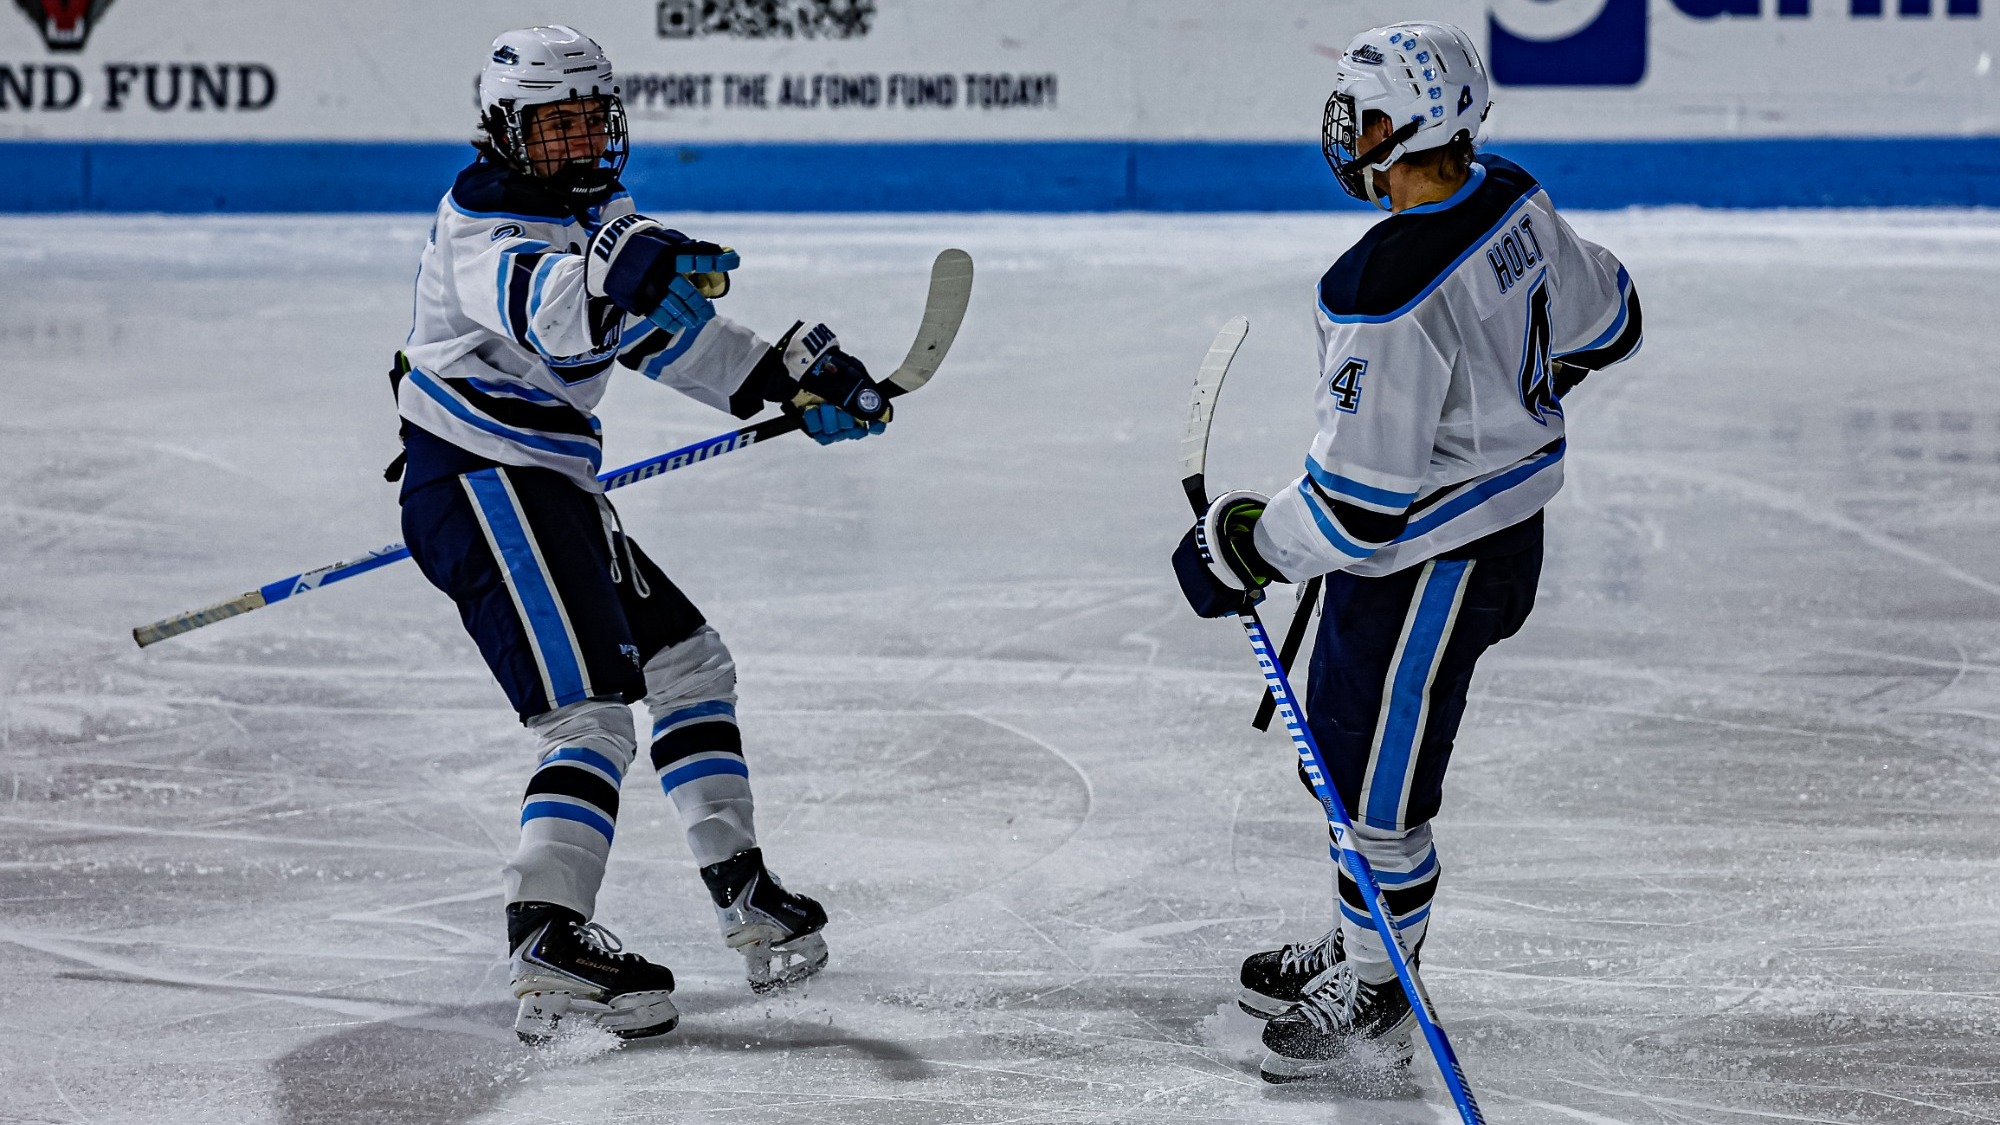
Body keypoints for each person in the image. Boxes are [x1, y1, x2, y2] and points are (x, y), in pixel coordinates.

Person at [393, 25, 894, 1045]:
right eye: (552, 125)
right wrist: (622, 268)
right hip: (486, 485)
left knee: (689, 663)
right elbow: (560, 318)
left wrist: (785, 381)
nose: (576, 143)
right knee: (586, 719)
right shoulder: (482, 223)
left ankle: (742, 891)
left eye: (589, 121)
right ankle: (547, 934)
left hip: (546, 487)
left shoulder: (596, 211)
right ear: (503, 131)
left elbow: (666, 333)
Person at [1172, 21, 1643, 1084]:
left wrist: (1241, 548)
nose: (1348, 133)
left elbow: (1357, 512)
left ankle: (1378, 991)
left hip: (1431, 564)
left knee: (1377, 792)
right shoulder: (1512, 195)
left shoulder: (1379, 288)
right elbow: (1608, 320)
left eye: (1366, 115)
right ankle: (1358, 941)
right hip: (1489, 538)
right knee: (1342, 753)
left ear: (1418, 123)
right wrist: (1508, 394)